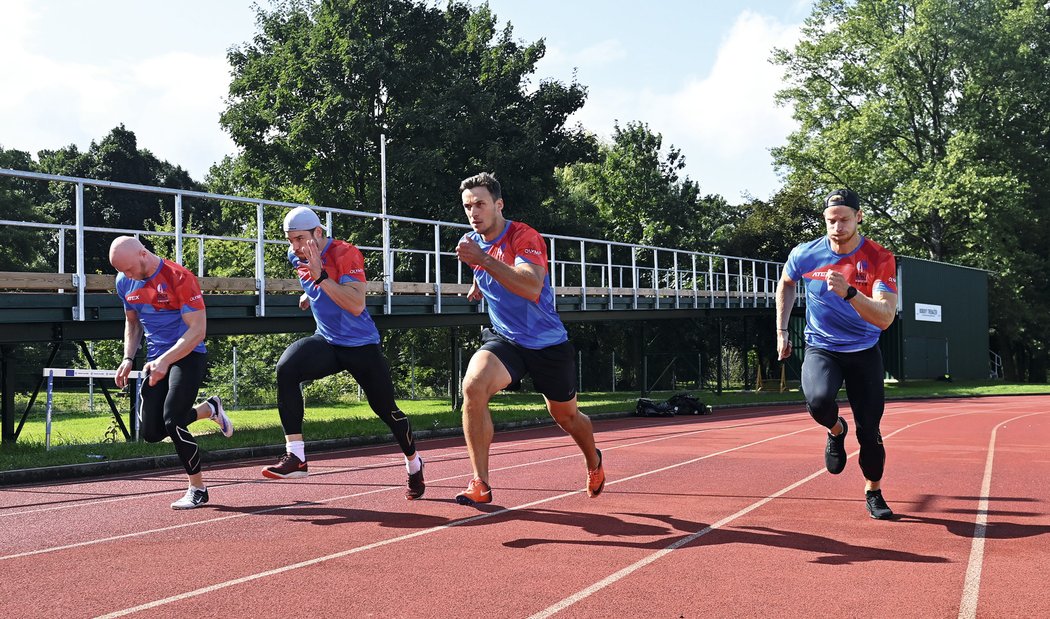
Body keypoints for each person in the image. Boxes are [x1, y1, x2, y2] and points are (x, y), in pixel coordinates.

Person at [453, 172, 605, 506]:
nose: (473, 212)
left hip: (547, 343)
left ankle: (593, 459)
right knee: (473, 387)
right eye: (467, 206)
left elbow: (530, 286)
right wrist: (478, 282)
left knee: (566, 417)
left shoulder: (525, 236)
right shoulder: (473, 241)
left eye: (480, 204)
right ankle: (480, 482)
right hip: (505, 340)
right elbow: (487, 268)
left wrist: (483, 263)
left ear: (498, 204)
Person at [262, 206, 425, 500]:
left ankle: (414, 463)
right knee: (286, 368)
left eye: (300, 239)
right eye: (290, 240)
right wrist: (308, 294)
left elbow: (355, 304)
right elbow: (315, 285)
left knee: (387, 411)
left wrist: (320, 279)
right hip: (327, 342)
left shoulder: (345, 253)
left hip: (361, 346)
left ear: (319, 233)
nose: (295, 247)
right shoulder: (296, 256)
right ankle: (296, 456)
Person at [775, 189, 898, 520]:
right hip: (822, 347)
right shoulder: (806, 254)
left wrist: (850, 293)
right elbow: (786, 283)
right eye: (831, 220)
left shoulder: (879, 258)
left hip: (863, 350)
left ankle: (874, 491)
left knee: (869, 433)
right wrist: (782, 331)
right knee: (817, 401)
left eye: (844, 219)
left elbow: (885, 318)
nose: (837, 226)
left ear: (858, 217)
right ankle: (835, 430)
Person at [110, 236, 233, 510]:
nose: (127, 276)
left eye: (129, 269)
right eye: (122, 272)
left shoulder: (179, 277)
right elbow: (132, 323)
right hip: (156, 360)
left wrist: (166, 360)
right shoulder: (124, 281)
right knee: (152, 432)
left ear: (143, 254)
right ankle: (209, 409)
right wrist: (128, 357)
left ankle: (197, 488)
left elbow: (197, 330)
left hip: (188, 355)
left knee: (173, 420)